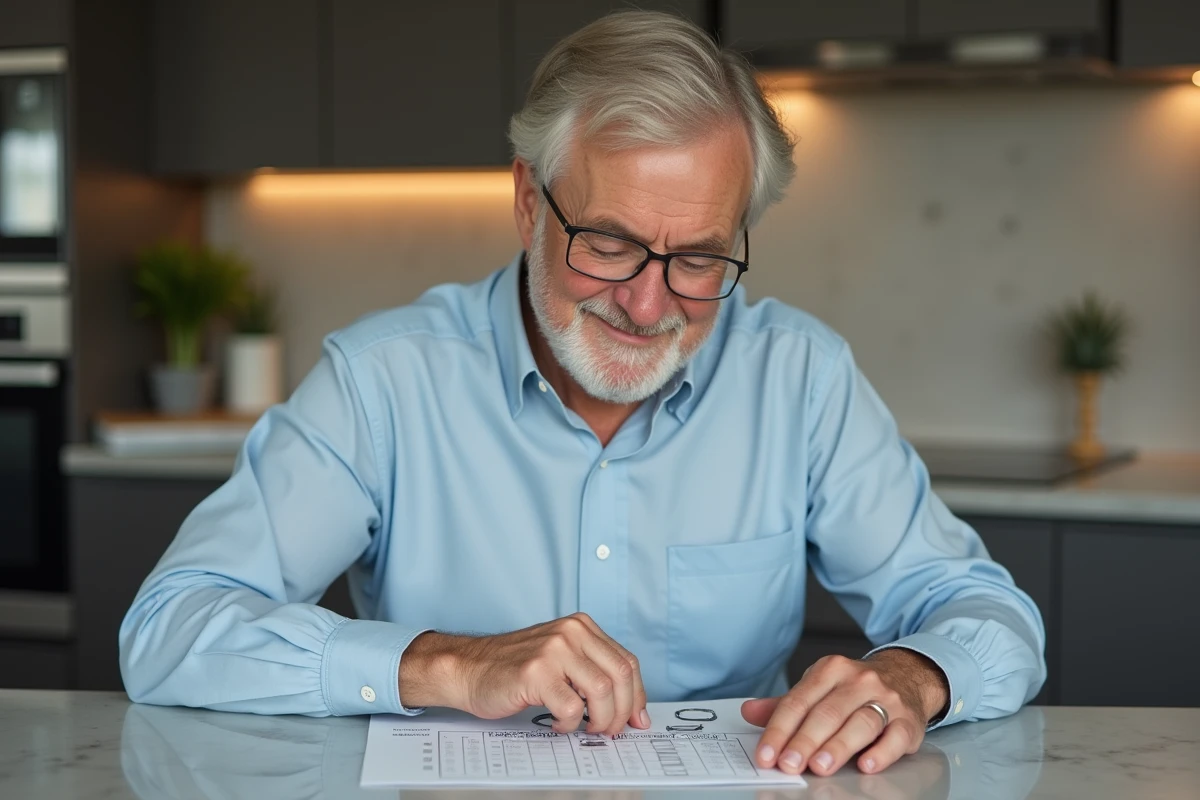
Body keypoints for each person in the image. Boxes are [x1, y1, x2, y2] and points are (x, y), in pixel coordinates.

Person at [119, 10, 1045, 777]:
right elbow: (169, 627)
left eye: (698, 259)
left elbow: (982, 611)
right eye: (607, 243)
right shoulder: (384, 382)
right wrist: (447, 664)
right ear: (529, 201)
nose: (649, 304)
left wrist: (914, 675)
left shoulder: (799, 378)